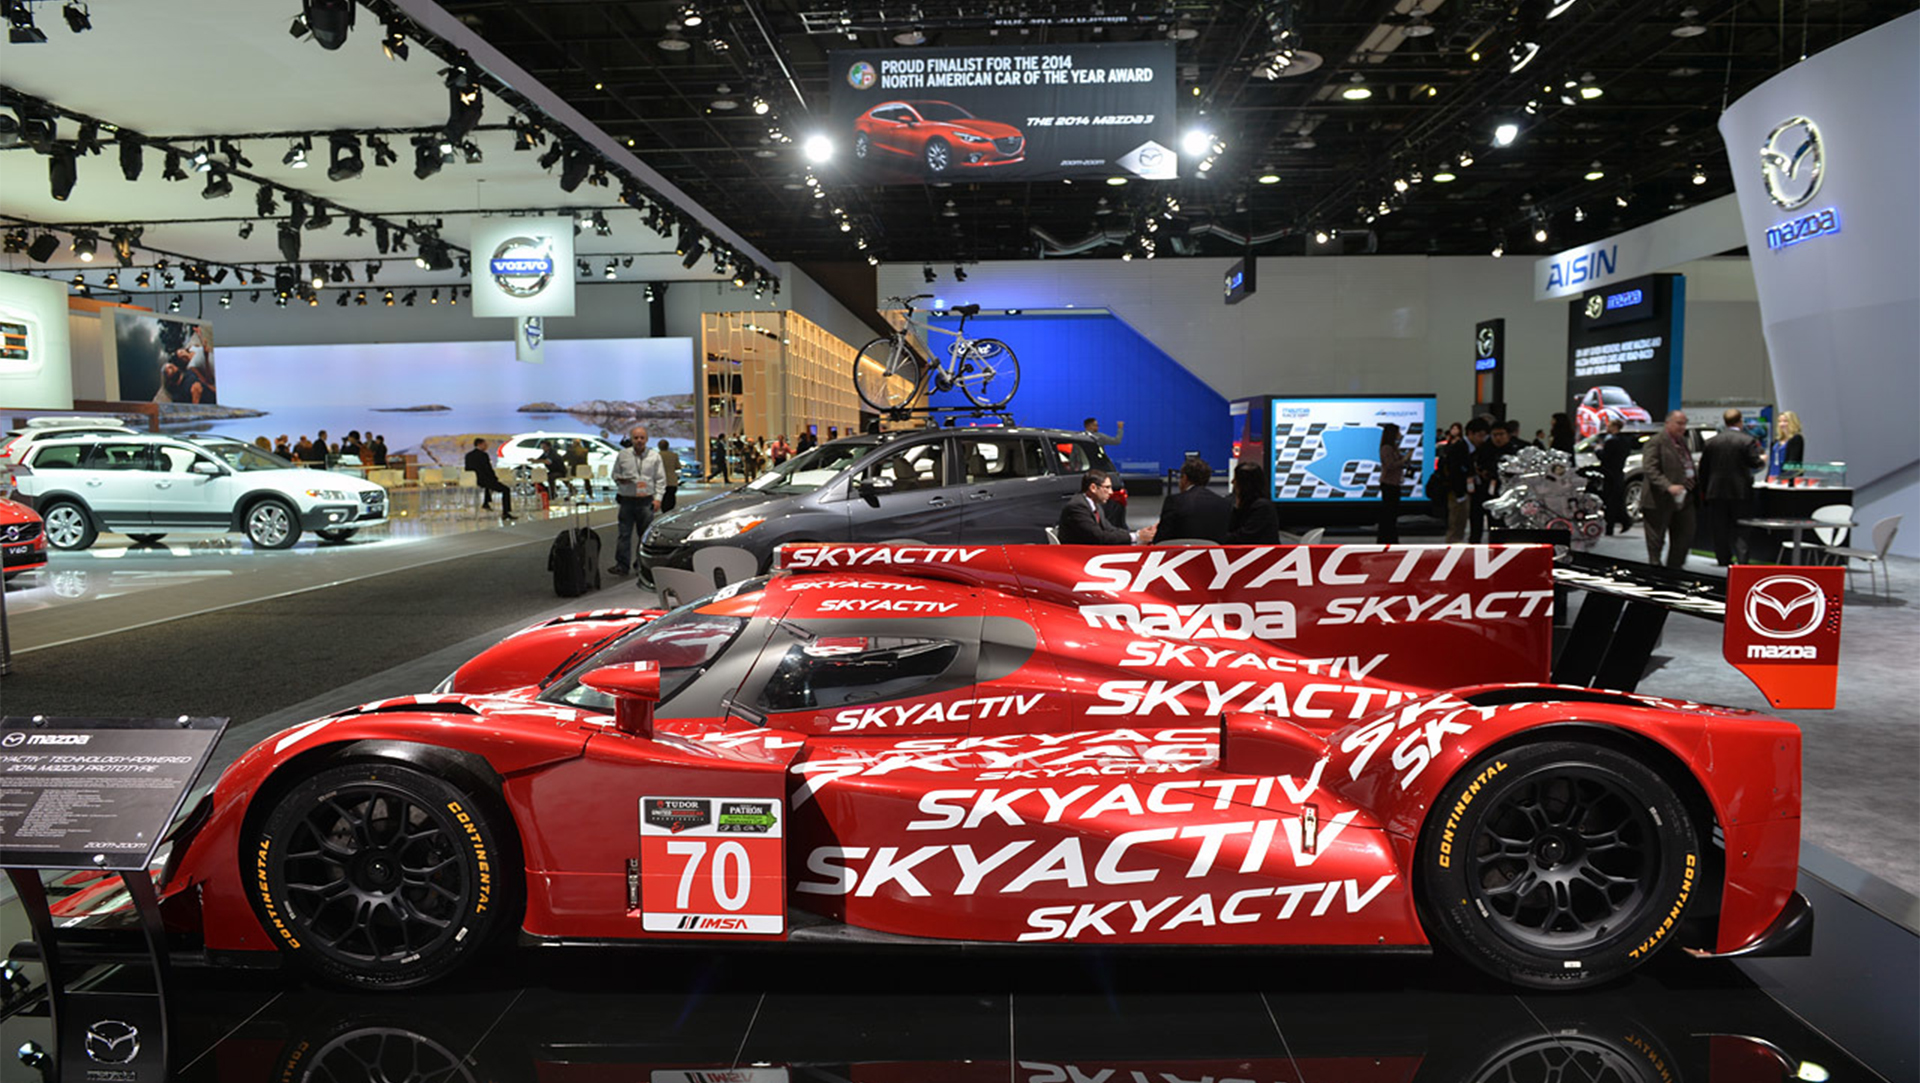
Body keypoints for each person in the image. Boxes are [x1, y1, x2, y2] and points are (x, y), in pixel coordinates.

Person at [1699, 408, 1764, 566]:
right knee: (1741, 528)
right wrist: (1762, 460)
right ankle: (1742, 560)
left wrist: (1704, 491)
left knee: (1719, 527)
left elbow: (1703, 470)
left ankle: (1723, 558)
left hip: (1715, 492)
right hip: (1740, 492)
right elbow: (1755, 463)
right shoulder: (1747, 441)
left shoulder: (1711, 442)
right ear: (1740, 421)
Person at [608, 424, 666, 577]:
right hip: (626, 500)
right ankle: (622, 565)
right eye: (636, 438)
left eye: (642, 438)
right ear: (631, 439)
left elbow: (661, 480)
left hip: (646, 501)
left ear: (646, 439)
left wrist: (658, 499)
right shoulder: (623, 455)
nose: (639, 440)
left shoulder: (654, 456)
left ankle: (641, 565)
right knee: (624, 535)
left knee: (645, 536)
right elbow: (614, 474)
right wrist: (620, 479)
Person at [1640, 410, 1696, 567]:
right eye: (1679, 423)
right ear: (1668, 423)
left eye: (1684, 424)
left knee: (1684, 537)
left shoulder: (1682, 442)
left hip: (1684, 498)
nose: (1682, 427)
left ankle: (1674, 570)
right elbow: (1650, 469)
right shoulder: (1656, 442)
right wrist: (1668, 486)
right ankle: (1656, 572)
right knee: (1656, 541)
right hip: (1659, 500)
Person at [1058, 469, 1155, 544]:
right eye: (1107, 487)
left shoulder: (1095, 504)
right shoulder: (1077, 507)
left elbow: (1109, 529)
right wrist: (1136, 537)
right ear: (1093, 488)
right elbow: (1099, 537)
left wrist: (1138, 533)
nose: (1111, 492)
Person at [1154, 457, 1231, 543]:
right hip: (1214, 551)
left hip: (1181, 550)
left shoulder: (1174, 502)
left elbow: (1162, 538)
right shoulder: (1224, 504)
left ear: (1185, 478)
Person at [1444, 417, 1491, 543]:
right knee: (1457, 523)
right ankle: (1453, 549)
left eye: (1484, 436)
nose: (1482, 439)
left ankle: (1474, 544)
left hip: (1476, 491)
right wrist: (1459, 495)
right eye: (1480, 435)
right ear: (1470, 433)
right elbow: (1453, 473)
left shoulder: (1481, 449)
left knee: (1476, 521)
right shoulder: (1457, 449)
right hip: (1459, 492)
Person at [1471, 421, 1515, 543]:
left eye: (1501, 434)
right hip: (1483, 491)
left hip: (1505, 493)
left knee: (1500, 525)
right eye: (1495, 435)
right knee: (1477, 523)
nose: (1498, 438)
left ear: (1508, 435)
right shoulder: (1484, 449)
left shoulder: (1513, 451)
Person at [1597, 418, 1635, 535]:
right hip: (1618, 473)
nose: (1607, 428)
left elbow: (1605, 457)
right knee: (1616, 500)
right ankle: (1624, 520)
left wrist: (1598, 451)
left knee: (1610, 501)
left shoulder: (1611, 441)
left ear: (1614, 427)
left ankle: (1610, 526)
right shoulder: (1625, 441)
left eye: (1609, 426)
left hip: (1609, 473)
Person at [1227, 462, 1280, 544]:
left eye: (1236, 479)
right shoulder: (1239, 503)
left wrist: (1219, 537)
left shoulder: (1263, 507)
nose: (1232, 482)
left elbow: (1244, 537)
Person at [1376, 423, 1412, 543]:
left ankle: (1390, 538)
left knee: (1392, 513)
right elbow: (1390, 465)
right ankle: (1386, 539)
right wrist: (1404, 459)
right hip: (1389, 484)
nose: (1400, 434)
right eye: (1398, 432)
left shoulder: (1393, 447)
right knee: (1389, 513)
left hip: (1394, 483)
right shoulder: (1387, 448)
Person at [465, 438, 515, 521]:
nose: (486, 446)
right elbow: (488, 469)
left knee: (489, 486)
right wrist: (495, 478)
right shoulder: (483, 455)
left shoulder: (468, 455)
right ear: (480, 444)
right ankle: (506, 513)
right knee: (506, 490)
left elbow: (467, 469)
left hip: (473, 480)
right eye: (485, 445)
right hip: (484, 480)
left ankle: (486, 503)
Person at [1774, 411, 1805, 481]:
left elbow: (1792, 462)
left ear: (1792, 422)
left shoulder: (1796, 438)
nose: (1782, 424)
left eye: (1785, 421)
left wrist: (1783, 478)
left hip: (1786, 477)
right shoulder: (1777, 440)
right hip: (1773, 475)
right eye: (1779, 421)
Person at [657, 439, 681, 512]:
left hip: (660, 481)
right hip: (672, 481)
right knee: (671, 498)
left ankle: (664, 511)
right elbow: (678, 466)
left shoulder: (656, 456)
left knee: (663, 499)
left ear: (659, 446)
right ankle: (670, 512)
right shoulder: (674, 455)